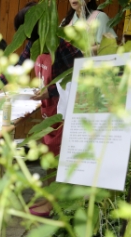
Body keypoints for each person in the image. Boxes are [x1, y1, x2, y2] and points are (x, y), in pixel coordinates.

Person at [15, 2, 83, 216]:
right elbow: (19, 64)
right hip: (48, 111)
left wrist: (51, 90)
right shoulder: (35, 42)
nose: (28, 43)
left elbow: (80, 75)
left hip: (64, 110)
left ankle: (53, 203)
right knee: (48, 155)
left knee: (56, 158)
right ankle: (47, 197)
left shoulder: (62, 47)